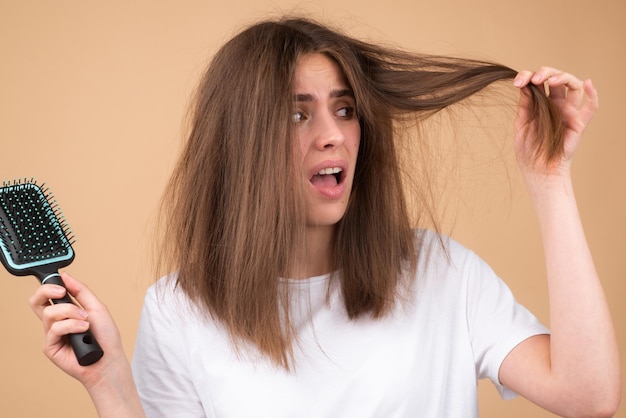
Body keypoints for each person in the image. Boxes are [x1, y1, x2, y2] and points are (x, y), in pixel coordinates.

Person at [29, 16, 621, 418]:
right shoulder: (180, 308)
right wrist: (109, 385)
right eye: (297, 114)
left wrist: (550, 180)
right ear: (243, 141)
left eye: (345, 108)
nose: (333, 135)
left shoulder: (443, 273)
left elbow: (590, 395)